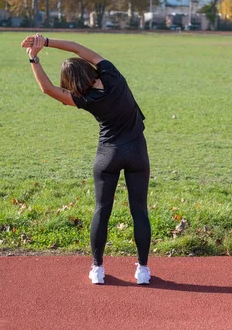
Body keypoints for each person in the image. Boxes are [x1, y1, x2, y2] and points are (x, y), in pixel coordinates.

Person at [21, 34, 152, 285]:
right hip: (136, 152)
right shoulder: (112, 74)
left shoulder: (85, 99)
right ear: (88, 69)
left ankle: (97, 269)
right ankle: (143, 271)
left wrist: (34, 59)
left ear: (72, 83)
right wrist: (46, 41)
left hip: (107, 156)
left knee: (102, 211)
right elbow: (78, 48)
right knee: (139, 212)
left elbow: (48, 90)